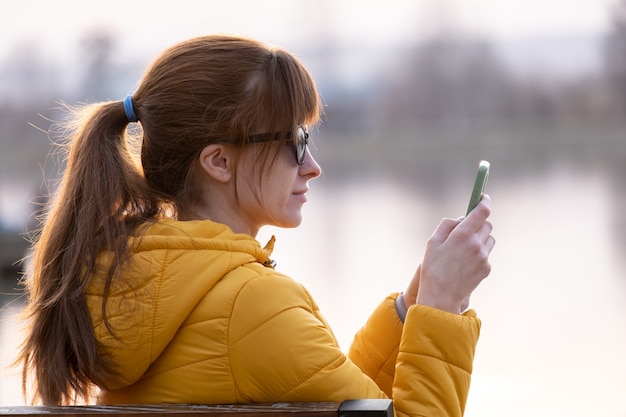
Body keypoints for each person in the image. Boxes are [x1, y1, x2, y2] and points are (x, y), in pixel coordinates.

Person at [17, 35, 495, 417]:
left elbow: (339, 396)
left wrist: (412, 310)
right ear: (219, 161)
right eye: (295, 140)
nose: (312, 166)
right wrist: (443, 308)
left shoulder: (133, 282)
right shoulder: (248, 305)